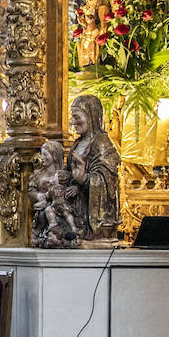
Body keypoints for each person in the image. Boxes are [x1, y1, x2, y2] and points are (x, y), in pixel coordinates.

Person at [67, 94, 121, 243]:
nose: (73, 122)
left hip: (94, 214)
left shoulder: (102, 142)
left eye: (77, 117)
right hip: (75, 204)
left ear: (91, 116)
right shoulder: (77, 143)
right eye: (72, 117)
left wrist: (84, 179)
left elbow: (109, 179)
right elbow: (70, 170)